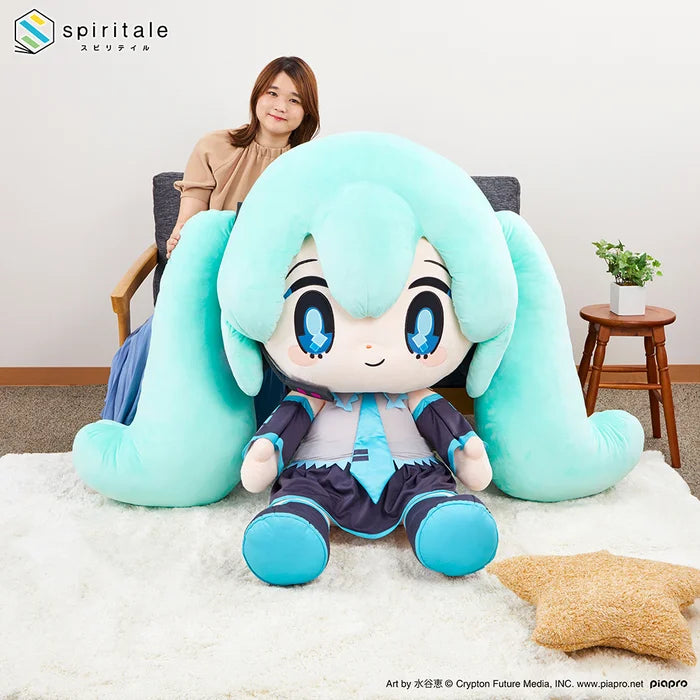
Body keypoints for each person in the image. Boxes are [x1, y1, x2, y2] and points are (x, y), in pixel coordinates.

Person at [102, 56, 320, 426]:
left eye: (294, 99)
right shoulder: (215, 146)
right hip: (210, 274)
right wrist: (180, 239)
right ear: (257, 95)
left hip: (270, 286)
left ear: (306, 112)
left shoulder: (307, 163)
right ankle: (150, 430)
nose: (280, 106)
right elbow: (189, 220)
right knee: (161, 335)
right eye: (272, 93)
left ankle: (262, 435)